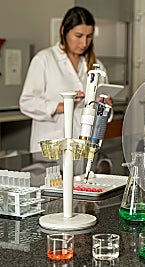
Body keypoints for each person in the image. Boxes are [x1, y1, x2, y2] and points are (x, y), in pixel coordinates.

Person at [20, 6, 112, 173]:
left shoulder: (96, 66)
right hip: (49, 153)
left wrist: (105, 106)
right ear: (63, 31)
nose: (84, 43)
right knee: (55, 196)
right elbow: (26, 102)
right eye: (78, 36)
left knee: (81, 195)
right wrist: (63, 106)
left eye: (89, 37)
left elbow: (103, 115)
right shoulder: (44, 60)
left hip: (84, 150)